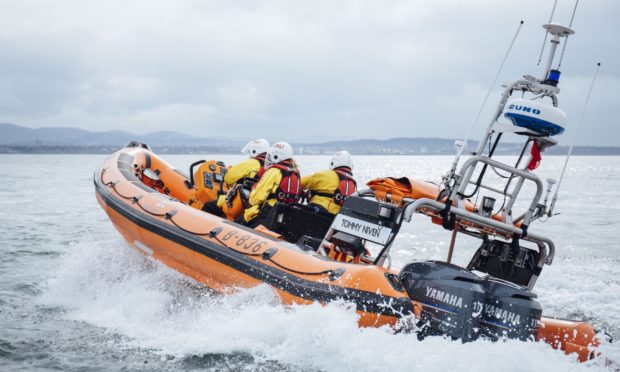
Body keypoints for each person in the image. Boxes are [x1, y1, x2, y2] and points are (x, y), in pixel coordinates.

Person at [201, 138, 269, 217]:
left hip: (241, 203)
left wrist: (230, 171)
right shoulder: (268, 167)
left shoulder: (251, 163)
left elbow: (228, 179)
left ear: (254, 151)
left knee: (208, 205)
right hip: (253, 204)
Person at [241, 141, 301, 227]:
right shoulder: (295, 172)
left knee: (239, 221)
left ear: (276, 156)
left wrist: (250, 197)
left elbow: (256, 198)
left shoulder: (274, 171)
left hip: (269, 212)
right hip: (286, 214)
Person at [301, 150, 357, 216]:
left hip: (319, 213)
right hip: (336, 218)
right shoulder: (353, 183)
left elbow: (300, 183)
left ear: (333, 163)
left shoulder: (325, 175)